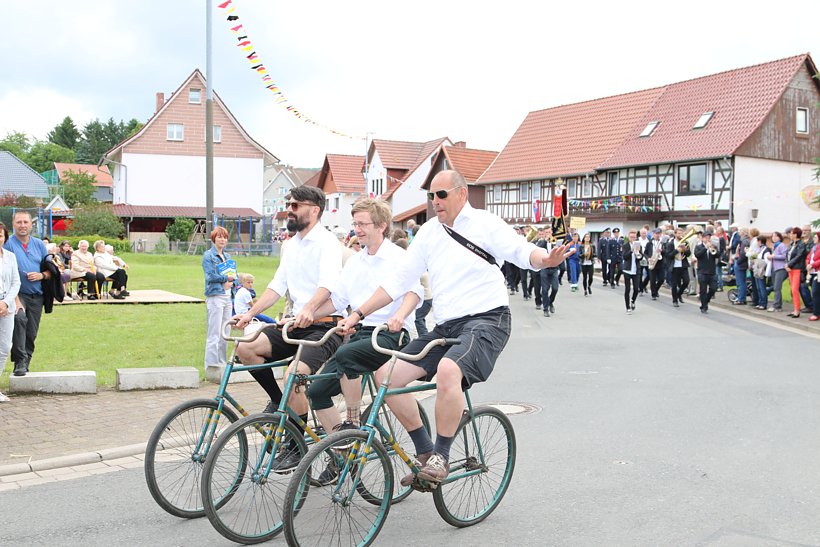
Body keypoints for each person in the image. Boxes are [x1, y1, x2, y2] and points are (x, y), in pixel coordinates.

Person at [336, 170, 569, 486]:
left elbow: (521, 251)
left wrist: (545, 259)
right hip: (446, 325)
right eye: (431, 196)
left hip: (487, 320)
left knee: (449, 370)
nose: (435, 201)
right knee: (386, 377)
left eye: (441, 194)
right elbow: (398, 280)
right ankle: (424, 451)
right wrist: (358, 312)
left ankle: (440, 457)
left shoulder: (485, 224)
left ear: (462, 193)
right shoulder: (429, 233)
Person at [306, 198, 423, 483]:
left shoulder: (398, 257)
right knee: (316, 392)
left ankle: (353, 424)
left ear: (381, 226)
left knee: (348, 357)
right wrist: (306, 314)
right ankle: (344, 455)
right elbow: (337, 300)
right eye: (355, 224)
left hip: (390, 334)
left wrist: (401, 316)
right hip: (360, 334)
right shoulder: (356, 261)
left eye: (362, 224)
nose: (356, 229)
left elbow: (414, 291)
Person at [235, 185, 344, 470]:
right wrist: (250, 314)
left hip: (323, 326)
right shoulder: (291, 244)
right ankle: (278, 402)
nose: (290, 210)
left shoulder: (327, 243)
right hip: (294, 323)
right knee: (246, 348)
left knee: (295, 375)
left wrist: (308, 308)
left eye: (296, 205)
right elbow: (276, 286)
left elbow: (328, 284)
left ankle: (296, 446)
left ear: (314, 210)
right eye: (290, 204)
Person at [4, 211, 50, 376]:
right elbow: (6, 274)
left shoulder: (39, 244)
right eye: (19, 222)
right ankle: (19, 362)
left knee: (31, 332)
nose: (22, 225)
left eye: (25, 222)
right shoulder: (8, 244)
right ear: (13, 224)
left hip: (37, 295)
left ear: (31, 225)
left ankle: (25, 362)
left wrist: (41, 275)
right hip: (18, 294)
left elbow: (51, 270)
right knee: (19, 319)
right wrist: (15, 301)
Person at [202, 227, 236, 367]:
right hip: (216, 296)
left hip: (228, 298)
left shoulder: (227, 257)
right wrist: (225, 279)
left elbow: (234, 275)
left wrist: (233, 281)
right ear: (214, 238)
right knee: (214, 333)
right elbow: (210, 276)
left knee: (225, 332)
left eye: (225, 237)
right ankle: (210, 365)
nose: (223, 240)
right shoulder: (208, 256)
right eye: (220, 237)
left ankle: (222, 363)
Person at [0, 222, 21, 401]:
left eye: (0, 235)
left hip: (7, 308)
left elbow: (16, 282)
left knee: (5, 347)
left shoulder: (10, 256)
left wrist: (6, 303)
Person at [537, 226, 563, 317]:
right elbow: (538, 249)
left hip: (554, 268)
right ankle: (545, 309)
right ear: (544, 233)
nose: (548, 234)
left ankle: (550, 302)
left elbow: (560, 252)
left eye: (549, 232)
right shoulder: (541, 242)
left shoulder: (555, 241)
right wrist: (545, 240)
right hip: (544, 268)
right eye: (546, 232)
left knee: (555, 288)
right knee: (544, 290)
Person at [694, 232, 720, 313]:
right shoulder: (698, 247)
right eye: (706, 238)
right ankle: (704, 306)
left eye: (709, 238)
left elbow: (718, 255)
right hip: (702, 271)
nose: (708, 239)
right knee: (703, 290)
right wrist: (705, 248)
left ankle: (706, 301)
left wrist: (714, 249)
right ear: (702, 238)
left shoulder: (713, 246)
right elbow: (697, 255)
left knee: (713, 288)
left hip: (712, 271)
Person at [785, 227, 808, 318]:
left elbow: (799, 256)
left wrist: (789, 264)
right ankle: (795, 309)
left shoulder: (801, 244)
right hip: (790, 269)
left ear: (795, 234)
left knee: (795, 289)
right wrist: (787, 264)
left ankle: (797, 310)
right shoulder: (791, 244)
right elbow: (787, 255)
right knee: (792, 290)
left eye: (791, 233)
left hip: (797, 269)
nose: (790, 235)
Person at [666, 227, 691, 308]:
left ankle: (679, 294)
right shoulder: (671, 243)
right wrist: (677, 250)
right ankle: (675, 300)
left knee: (686, 281)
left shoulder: (685, 242)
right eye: (678, 233)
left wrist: (685, 250)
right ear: (675, 234)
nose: (680, 235)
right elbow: (668, 255)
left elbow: (688, 254)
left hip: (683, 265)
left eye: (681, 233)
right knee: (674, 284)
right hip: (674, 266)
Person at [621, 230, 641, 313]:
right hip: (627, 269)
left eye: (634, 237)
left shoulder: (638, 245)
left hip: (636, 269)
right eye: (631, 237)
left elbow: (641, 256)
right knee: (627, 289)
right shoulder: (625, 245)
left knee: (636, 289)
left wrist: (638, 253)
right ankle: (627, 307)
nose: (633, 238)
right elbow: (625, 257)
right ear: (629, 237)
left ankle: (633, 300)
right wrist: (631, 250)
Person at [730, 227, 750, 305]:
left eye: (740, 231)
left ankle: (741, 298)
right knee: (742, 281)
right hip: (742, 263)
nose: (739, 233)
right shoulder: (746, 241)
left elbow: (743, 254)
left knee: (740, 282)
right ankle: (742, 297)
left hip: (740, 264)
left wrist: (738, 261)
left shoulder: (744, 242)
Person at [768, 231, 787, 312]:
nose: (774, 238)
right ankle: (778, 305)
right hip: (774, 268)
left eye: (776, 236)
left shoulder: (781, 245)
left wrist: (773, 256)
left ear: (780, 237)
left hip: (781, 268)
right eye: (773, 236)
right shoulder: (775, 246)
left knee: (777, 287)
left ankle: (777, 306)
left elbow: (784, 256)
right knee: (776, 288)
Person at [751, 235, 771, 310]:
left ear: (760, 241)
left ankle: (763, 303)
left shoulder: (766, 250)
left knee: (762, 287)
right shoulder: (760, 249)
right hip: (757, 270)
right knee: (758, 287)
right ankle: (760, 302)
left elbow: (766, 261)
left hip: (761, 270)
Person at [646, 228, 665, 300]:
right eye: (656, 234)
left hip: (660, 262)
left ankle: (656, 289)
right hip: (652, 262)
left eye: (659, 234)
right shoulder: (649, 243)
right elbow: (645, 252)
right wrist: (648, 258)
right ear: (653, 234)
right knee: (653, 279)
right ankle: (653, 294)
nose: (657, 235)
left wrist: (662, 250)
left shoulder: (663, 243)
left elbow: (666, 252)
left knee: (661, 279)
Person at [807, 232, 820, 321]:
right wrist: (808, 264)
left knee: (815, 292)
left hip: (818, 272)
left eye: (815, 237)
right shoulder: (813, 248)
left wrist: (812, 265)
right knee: (816, 293)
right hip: (812, 272)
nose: (813, 238)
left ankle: (816, 313)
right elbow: (808, 258)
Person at [580, 232, 595, 296]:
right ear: (584, 238)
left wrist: (590, 254)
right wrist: (584, 254)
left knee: (591, 277)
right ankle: (585, 290)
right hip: (584, 263)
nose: (587, 238)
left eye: (588, 237)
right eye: (586, 237)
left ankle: (589, 286)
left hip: (590, 262)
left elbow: (595, 254)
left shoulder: (592, 246)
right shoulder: (581, 246)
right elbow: (579, 255)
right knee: (585, 277)